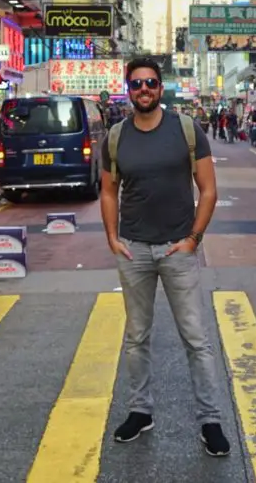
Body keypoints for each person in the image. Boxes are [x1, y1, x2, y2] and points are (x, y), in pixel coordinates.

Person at [100, 58, 229, 457]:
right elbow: (108, 191)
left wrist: (193, 239)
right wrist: (111, 238)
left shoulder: (187, 130)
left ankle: (210, 420)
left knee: (196, 338)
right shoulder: (116, 136)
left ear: (161, 87)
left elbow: (208, 190)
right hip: (134, 248)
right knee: (136, 337)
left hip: (177, 248)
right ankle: (140, 411)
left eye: (150, 83)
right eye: (136, 83)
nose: (144, 89)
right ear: (128, 88)